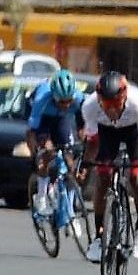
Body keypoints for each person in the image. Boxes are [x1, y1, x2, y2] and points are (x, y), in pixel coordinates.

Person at [78, 71, 138, 263]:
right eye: (106, 105)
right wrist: (85, 166)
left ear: (124, 98)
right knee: (102, 177)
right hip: (107, 134)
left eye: (116, 105)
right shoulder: (89, 106)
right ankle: (98, 237)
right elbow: (93, 143)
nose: (111, 110)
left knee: (136, 178)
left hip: (133, 133)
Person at [27, 69, 85, 216]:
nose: (66, 105)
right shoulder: (42, 99)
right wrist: (35, 152)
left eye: (69, 101)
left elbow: (82, 124)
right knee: (49, 151)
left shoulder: (79, 97)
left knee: (70, 162)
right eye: (62, 101)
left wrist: (84, 137)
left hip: (60, 119)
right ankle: (41, 196)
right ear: (54, 96)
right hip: (43, 119)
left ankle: (69, 208)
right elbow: (32, 131)